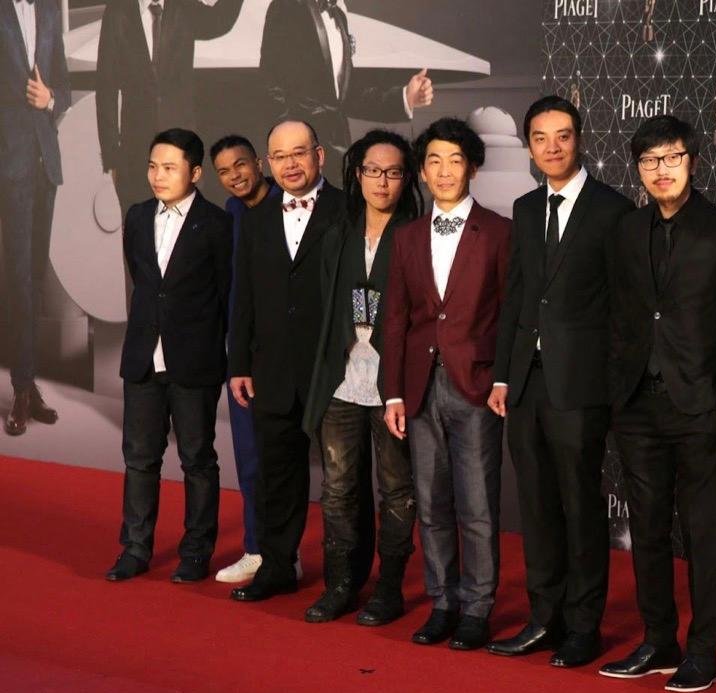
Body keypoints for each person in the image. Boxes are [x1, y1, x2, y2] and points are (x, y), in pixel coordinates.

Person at [599, 115, 716, 693]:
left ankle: (704, 651)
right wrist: (617, 390)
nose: (661, 170)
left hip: (699, 405)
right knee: (648, 529)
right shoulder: (625, 231)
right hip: (637, 403)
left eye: (671, 157)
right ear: (638, 169)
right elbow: (617, 318)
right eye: (649, 160)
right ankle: (659, 640)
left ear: (691, 160)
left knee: (703, 531)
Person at [486, 96, 633, 668]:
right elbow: (517, 296)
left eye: (563, 136)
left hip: (582, 385)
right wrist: (502, 375)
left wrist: (615, 385)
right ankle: (543, 618)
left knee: (580, 506)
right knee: (538, 507)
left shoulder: (613, 211)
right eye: (541, 138)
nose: (552, 147)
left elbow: (625, 309)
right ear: (528, 145)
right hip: (526, 382)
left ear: (580, 140)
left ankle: (584, 625)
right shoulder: (524, 209)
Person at [380, 118, 511, 651]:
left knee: (477, 505)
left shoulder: (500, 231)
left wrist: (501, 377)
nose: (443, 170)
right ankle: (443, 602)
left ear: (472, 168)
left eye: (455, 160)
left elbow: (511, 313)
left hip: (476, 385)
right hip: (417, 387)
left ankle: (478, 608)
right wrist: (392, 391)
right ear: (422, 169)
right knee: (430, 504)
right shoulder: (407, 235)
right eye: (433, 160)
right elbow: (393, 317)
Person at [301, 130, 422, 626]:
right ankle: (341, 585)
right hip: (342, 376)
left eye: (393, 172)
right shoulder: (339, 230)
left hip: (394, 380)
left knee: (395, 487)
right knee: (338, 488)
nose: (382, 181)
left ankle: (388, 589)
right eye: (373, 170)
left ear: (406, 178)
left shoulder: (417, 231)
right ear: (357, 173)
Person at [227, 120, 347, 603]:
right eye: (279, 156)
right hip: (271, 368)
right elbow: (245, 298)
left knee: (344, 481)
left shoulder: (347, 210)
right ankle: (277, 566)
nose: (290, 164)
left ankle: (345, 578)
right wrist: (239, 363)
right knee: (277, 474)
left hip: (335, 367)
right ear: (267, 164)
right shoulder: (253, 219)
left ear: (320, 155)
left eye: (299, 153)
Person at [105, 128, 232, 583]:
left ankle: (196, 552)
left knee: (197, 459)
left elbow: (224, 295)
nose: (158, 176)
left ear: (195, 173)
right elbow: (143, 283)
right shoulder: (137, 216)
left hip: (194, 361)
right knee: (139, 457)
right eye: (153, 166)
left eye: (170, 167)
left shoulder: (217, 225)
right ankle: (135, 548)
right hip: (142, 356)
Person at [96, 0, 244, 213]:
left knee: (182, 229)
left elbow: (219, 21)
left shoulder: (183, 6)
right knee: (142, 231)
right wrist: (112, 157)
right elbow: (106, 87)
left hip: (181, 146)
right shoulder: (119, 11)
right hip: (136, 152)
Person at [208, 134, 278, 584]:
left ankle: (288, 553)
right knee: (250, 458)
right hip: (243, 357)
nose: (235, 176)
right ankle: (256, 549)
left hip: (291, 353)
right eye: (224, 171)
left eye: (240, 165)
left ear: (258, 162)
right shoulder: (230, 214)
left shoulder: (289, 204)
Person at [259, 0, 434, 173]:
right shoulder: (287, 6)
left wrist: (405, 98)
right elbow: (271, 85)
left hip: (338, 152)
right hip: (303, 153)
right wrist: (289, 151)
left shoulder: (339, 15)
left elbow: (347, 96)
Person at [2, 0, 70, 437]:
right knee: (19, 279)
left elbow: (60, 83)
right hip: (9, 165)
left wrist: (52, 100)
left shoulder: (48, 10)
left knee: (37, 279)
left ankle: (30, 384)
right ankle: (22, 389)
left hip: (45, 163)